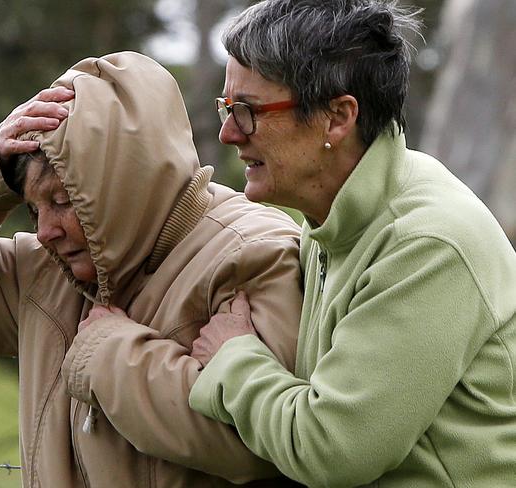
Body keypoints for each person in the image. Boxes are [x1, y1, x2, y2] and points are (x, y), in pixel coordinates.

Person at [0, 52, 304, 487]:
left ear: (126, 183)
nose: (43, 231)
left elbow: (265, 444)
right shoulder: (48, 273)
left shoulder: (254, 255)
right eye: (31, 206)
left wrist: (109, 356)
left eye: (62, 202)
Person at [184, 1, 516, 487]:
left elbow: (333, 449)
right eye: (226, 108)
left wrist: (233, 357)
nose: (229, 133)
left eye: (249, 111)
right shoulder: (337, 215)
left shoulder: (426, 243)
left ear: (337, 117)